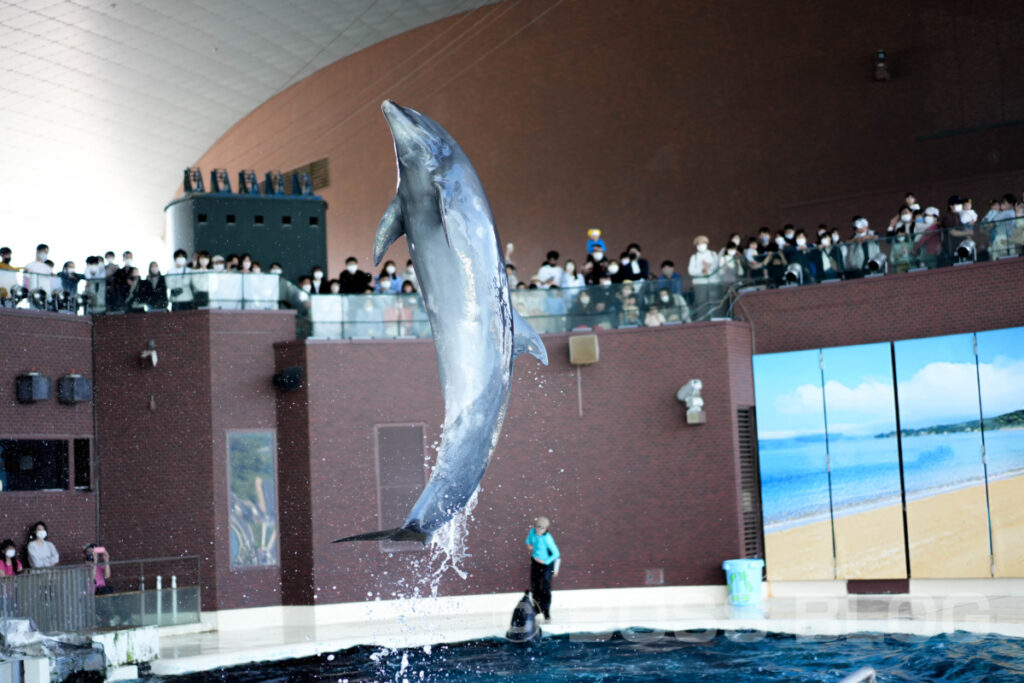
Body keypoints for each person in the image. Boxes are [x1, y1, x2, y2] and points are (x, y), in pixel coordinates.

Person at [526, 516, 560, 621]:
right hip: (535, 562)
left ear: (546, 529)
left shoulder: (547, 539)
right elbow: (528, 539)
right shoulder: (532, 532)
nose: (539, 530)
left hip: (546, 564)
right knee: (535, 585)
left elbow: (556, 554)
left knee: (545, 587)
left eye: (542, 529)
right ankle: (536, 608)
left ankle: (546, 611)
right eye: (537, 528)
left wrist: (545, 561)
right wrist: (529, 544)